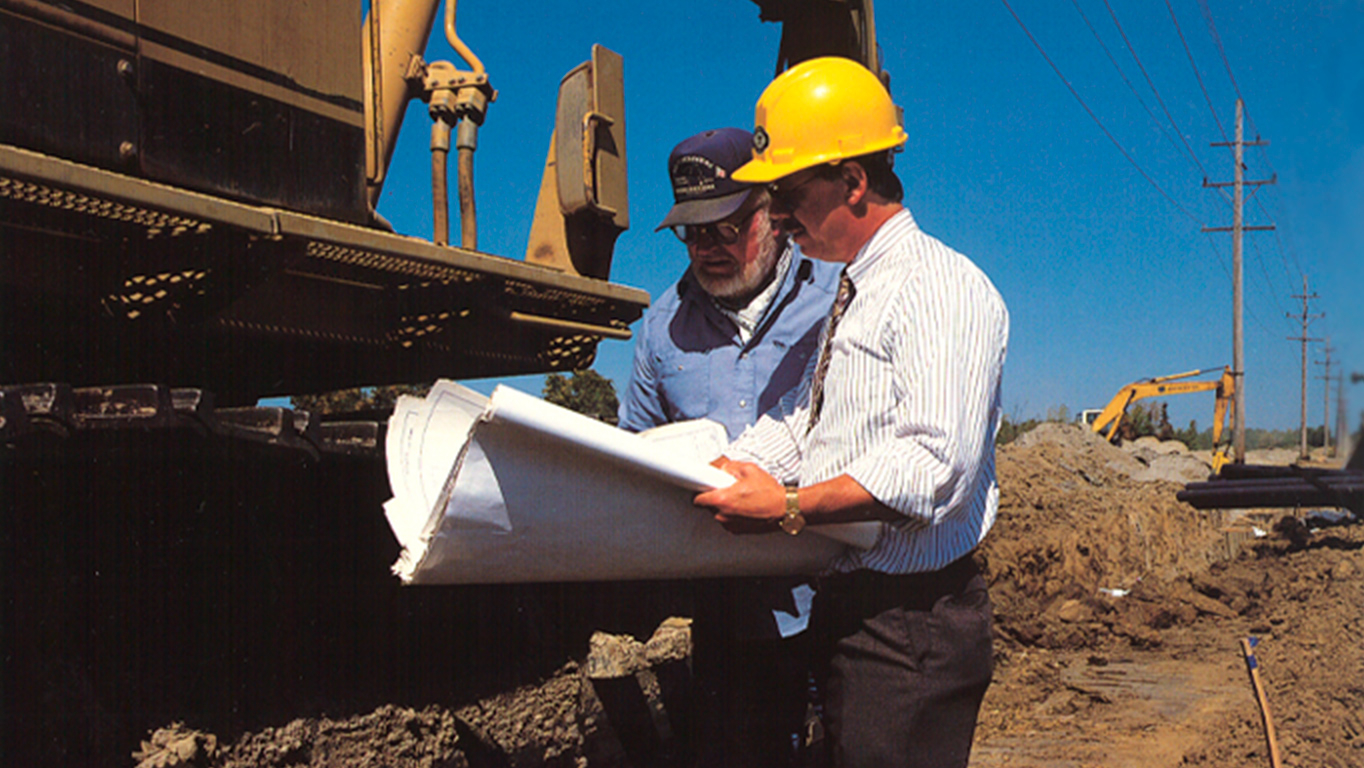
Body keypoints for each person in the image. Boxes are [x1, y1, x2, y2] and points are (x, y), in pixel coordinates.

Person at [694, 57, 1009, 768]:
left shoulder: (938, 287)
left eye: (788, 192)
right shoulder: (860, 290)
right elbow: (815, 421)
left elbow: (934, 467)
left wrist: (789, 506)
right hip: (861, 610)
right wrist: (739, 465)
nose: (775, 214)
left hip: (913, 624)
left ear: (854, 181)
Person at [618, 127, 842, 767]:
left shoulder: (840, 298)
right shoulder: (663, 330)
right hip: (729, 620)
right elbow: (641, 452)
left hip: (840, 605)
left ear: (772, 211)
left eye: (725, 227)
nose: (708, 249)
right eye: (693, 234)